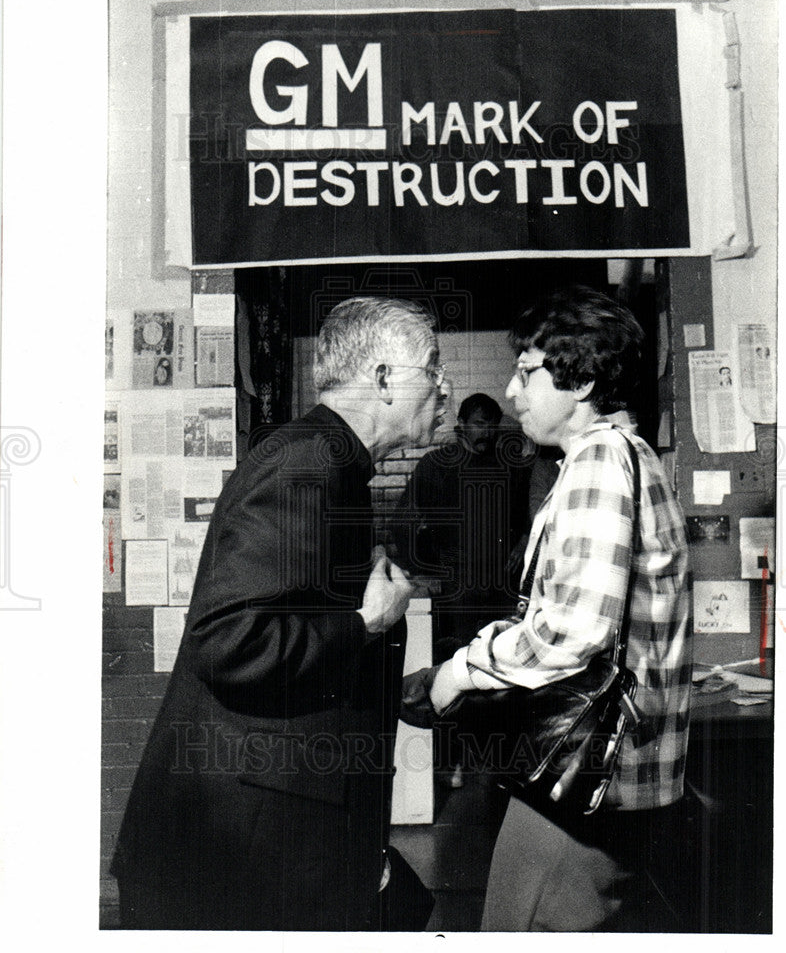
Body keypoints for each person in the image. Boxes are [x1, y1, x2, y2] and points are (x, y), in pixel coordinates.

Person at [111, 296, 448, 930]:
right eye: (432, 367)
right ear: (382, 379)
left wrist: (382, 686)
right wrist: (365, 623)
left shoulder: (332, 464)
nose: (444, 385)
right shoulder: (306, 463)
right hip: (238, 860)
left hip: (271, 844)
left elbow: (291, 635)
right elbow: (228, 640)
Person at [404, 286, 692, 931]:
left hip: (587, 778)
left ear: (582, 379)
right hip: (606, 776)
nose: (511, 392)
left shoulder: (597, 463)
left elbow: (570, 631)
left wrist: (460, 671)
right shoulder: (627, 457)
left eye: (527, 371)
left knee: (516, 931)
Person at [395, 393, 532, 658]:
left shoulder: (510, 467)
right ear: (462, 423)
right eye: (480, 424)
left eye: (493, 425)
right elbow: (402, 523)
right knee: (460, 656)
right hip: (457, 586)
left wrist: (524, 540)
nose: (488, 432)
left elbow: (531, 512)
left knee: (502, 657)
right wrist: (422, 571)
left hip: (502, 584)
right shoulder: (435, 465)